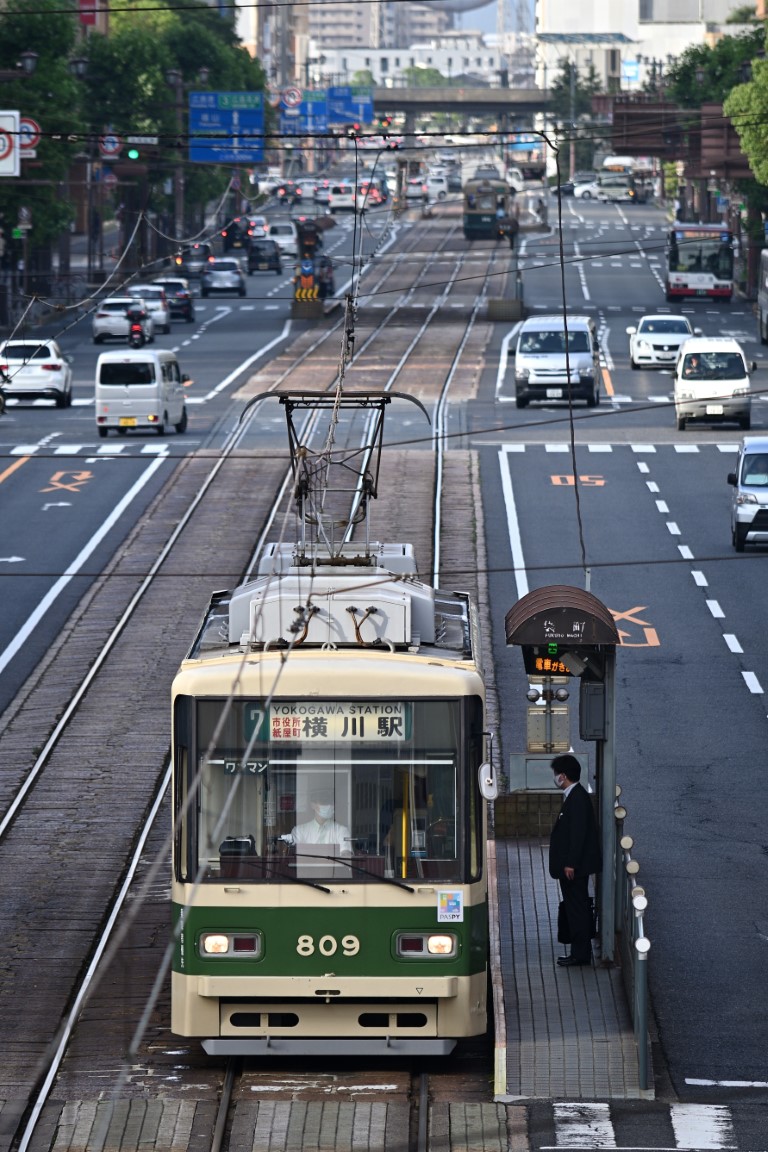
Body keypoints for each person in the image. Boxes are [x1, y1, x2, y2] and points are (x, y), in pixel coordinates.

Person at [548, 754, 601, 968]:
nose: (555, 778)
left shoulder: (577, 799)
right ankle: (578, 952)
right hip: (573, 867)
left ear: (563, 776)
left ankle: (580, 954)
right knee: (574, 907)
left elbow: (577, 835)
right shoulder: (575, 796)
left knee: (577, 909)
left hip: (574, 869)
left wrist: (570, 863)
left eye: (556, 774)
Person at [281, 794, 352, 855]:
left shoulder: (342, 830)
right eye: (323, 803)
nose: (328, 806)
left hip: (334, 871)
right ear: (313, 805)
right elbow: (294, 854)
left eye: (330, 803)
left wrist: (345, 853)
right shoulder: (299, 831)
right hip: (306, 871)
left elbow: (346, 855)